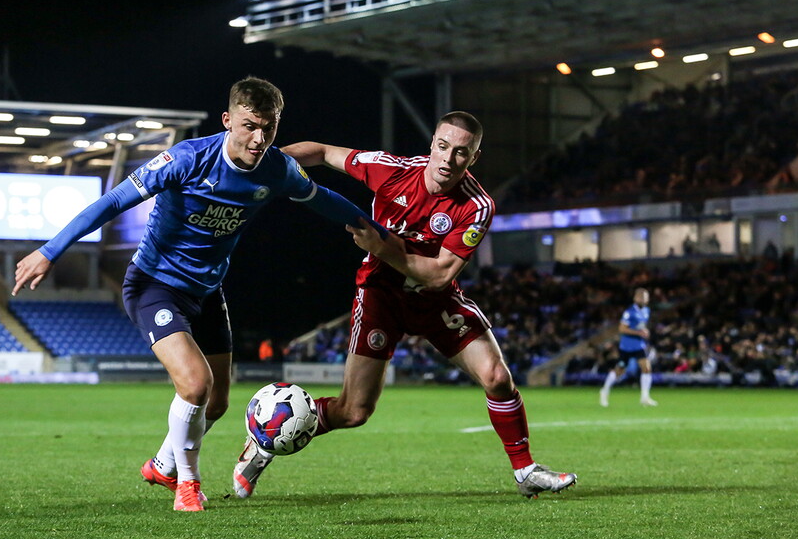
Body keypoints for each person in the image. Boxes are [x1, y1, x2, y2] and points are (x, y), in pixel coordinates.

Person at [12, 76, 382, 512]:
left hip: (207, 290)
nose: (258, 138)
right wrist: (50, 250)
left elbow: (322, 198)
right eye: (249, 125)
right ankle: (187, 485)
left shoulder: (277, 168)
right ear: (228, 120)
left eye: (269, 127)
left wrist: (372, 229)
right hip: (155, 285)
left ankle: (164, 464)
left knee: (219, 402)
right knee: (195, 384)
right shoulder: (187, 159)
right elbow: (112, 202)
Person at [233, 111, 577, 500]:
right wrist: (269, 163)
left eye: (461, 153)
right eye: (443, 147)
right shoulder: (392, 170)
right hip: (380, 295)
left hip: (435, 300)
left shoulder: (477, 206)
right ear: (432, 143)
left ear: (473, 158)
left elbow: (438, 275)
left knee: (498, 378)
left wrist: (382, 248)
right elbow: (324, 152)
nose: (448, 159)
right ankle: (263, 444)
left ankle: (525, 470)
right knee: (354, 412)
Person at [599, 287, 658, 407]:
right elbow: (622, 329)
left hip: (639, 345)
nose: (644, 299)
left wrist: (644, 331)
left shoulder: (646, 311)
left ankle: (645, 397)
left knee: (646, 367)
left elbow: (641, 326)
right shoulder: (629, 312)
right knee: (619, 371)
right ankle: (605, 390)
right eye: (641, 297)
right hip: (626, 346)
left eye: (645, 297)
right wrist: (639, 333)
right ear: (635, 298)